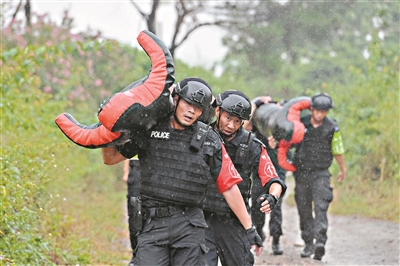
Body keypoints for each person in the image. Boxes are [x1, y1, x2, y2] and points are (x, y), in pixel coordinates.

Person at [102, 77, 265, 265]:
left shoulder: (209, 139)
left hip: (190, 226)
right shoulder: (149, 129)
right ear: (176, 99)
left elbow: (228, 185)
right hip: (153, 225)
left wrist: (249, 229)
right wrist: (109, 129)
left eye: (198, 108)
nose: (191, 111)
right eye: (188, 103)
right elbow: (110, 158)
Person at [203, 90, 287, 266]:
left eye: (237, 121)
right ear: (217, 112)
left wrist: (273, 196)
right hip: (200, 218)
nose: (231, 125)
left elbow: (273, 178)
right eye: (228, 118)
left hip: (233, 219)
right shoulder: (200, 136)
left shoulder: (251, 145)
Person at [291, 93, 346, 261]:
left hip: (321, 173)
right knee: (304, 208)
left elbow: (337, 148)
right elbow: (288, 141)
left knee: (321, 207)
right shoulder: (301, 123)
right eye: (318, 111)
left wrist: (343, 168)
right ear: (312, 109)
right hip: (302, 173)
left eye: (324, 112)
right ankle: (308, 243)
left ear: (327, 112)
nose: (320, 114)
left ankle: (320, 242)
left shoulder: (331, 127)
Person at [243, 96, 288, 256]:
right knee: (257, 206)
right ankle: (259, 232)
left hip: (278, 171)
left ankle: (276, 240)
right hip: (259, 174)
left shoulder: (283, 122)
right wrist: (255, 104)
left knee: (275, 206)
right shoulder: (257, 124)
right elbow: (245, 126)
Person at [122, 157, 141, 264]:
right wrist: (126, 171)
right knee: (135, 214)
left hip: (156, 166)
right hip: (136, 167)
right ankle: (136, 253)